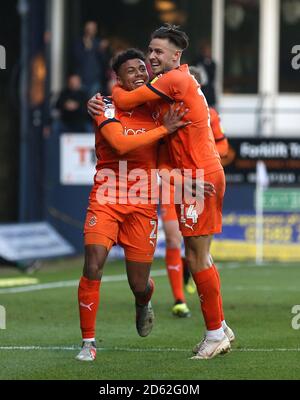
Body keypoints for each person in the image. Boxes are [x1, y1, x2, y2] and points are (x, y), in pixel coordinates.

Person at [109, 25, 234, 360]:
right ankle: (219, 326)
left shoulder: (173, 80)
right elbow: (163, 162)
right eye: (150, 50)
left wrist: (108, 95)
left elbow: (124, 96)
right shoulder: (169, 95)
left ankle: (213, 334)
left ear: (176, 56)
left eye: (158, 51)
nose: (151, 56)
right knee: (200, 254)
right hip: (191, 177)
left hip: (199, 176)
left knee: (195, 256)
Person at [76, 48, 189, 362]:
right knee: (93, 264)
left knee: (139, 284)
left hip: (142, 202)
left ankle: (143, 302)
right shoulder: (105, 105)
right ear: (118, 77)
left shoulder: (156, 105)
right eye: (132, 70)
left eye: (143, 68)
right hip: (107, 196)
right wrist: (163, 129)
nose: (140, 74)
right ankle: (88, 342)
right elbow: (120, 143)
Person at [73, 21, 111, 97]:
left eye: (93, 29)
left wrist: (102, 50)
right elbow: (75, 60)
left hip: (96, 79)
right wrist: (86, 48)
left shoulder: (99, 43)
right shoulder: (79, 43)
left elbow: (105, 62)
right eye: (89, 28)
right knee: (82, 102)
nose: (91, 31)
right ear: (85, 29)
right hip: (81, 78)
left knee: (93, 102)